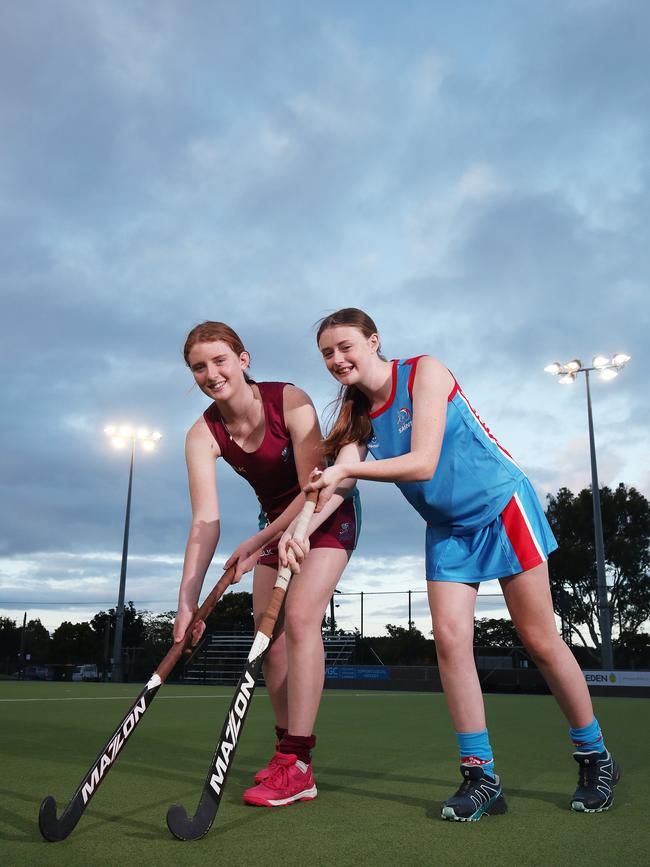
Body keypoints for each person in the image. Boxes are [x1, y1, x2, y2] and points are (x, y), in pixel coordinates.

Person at [305, 307, 620, 821]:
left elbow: (422, 460)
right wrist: (298, 533)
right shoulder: (354, 416)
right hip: (448, 531)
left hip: (502, 506)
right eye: (326, 354)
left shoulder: (424, 371)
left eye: (345, 346)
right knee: (450, 642)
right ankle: (481, 777)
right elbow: (333, 489)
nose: (337, 359)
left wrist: (347, 467)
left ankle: (594, 756)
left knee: (539, 639)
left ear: (373, 341)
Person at [174, 321, 361, 808]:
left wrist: (256, 541)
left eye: (219, 360)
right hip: (273, 524)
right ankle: (286, 755)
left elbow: (312, 490)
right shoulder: (202, 434)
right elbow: (204, 524)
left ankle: (299, 762)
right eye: (199, 367)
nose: (211, 374)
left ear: (243, 358)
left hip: (324, 512)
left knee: (299, 620)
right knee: (269, 644)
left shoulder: (290, 401)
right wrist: (186, 605)